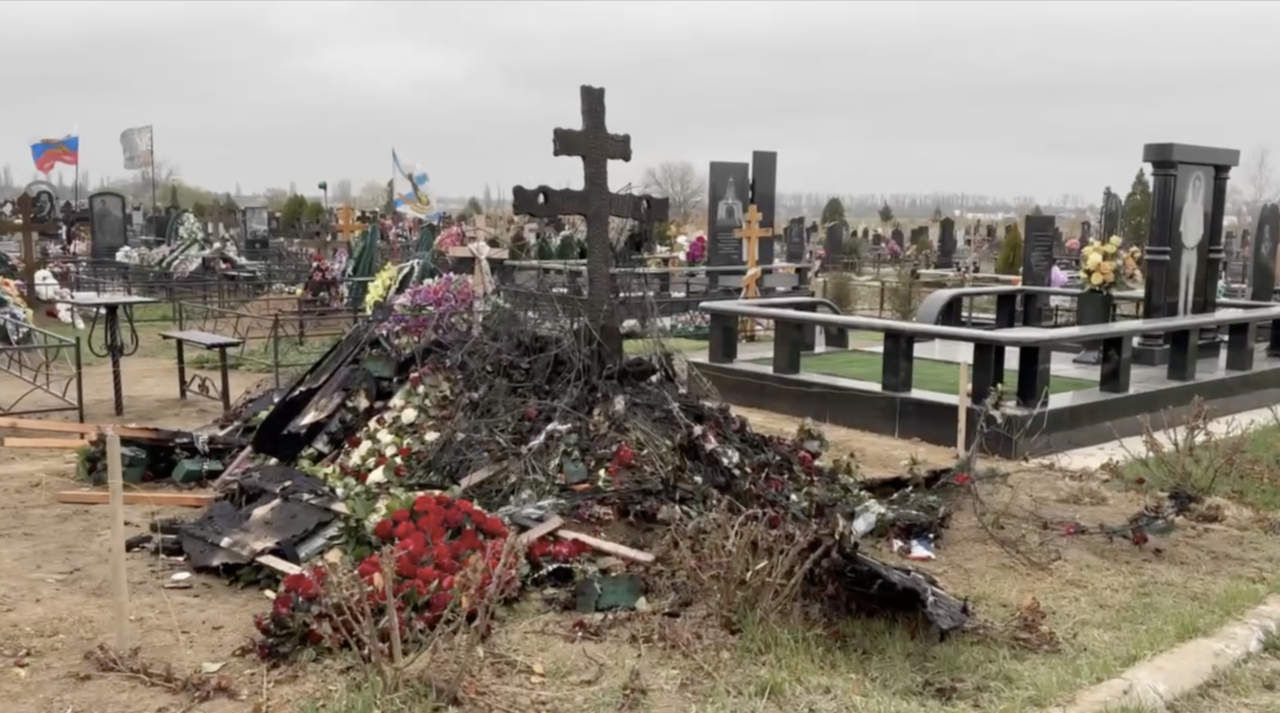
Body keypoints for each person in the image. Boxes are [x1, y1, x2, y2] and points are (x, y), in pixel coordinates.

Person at [1177, 173, 1206, 316]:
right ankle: (1180, 311)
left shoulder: (1200, 208)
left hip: (1194, 251)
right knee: (1182, 283)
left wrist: (1193, 244)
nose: (1196, 190)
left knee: (1191, 283)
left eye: (1198, 188)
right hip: (1185, 250)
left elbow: (1201, 232)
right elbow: (1182, 228)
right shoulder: (1187, 207)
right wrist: (1186, 243)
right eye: (1195, 187)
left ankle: (1189, 311)